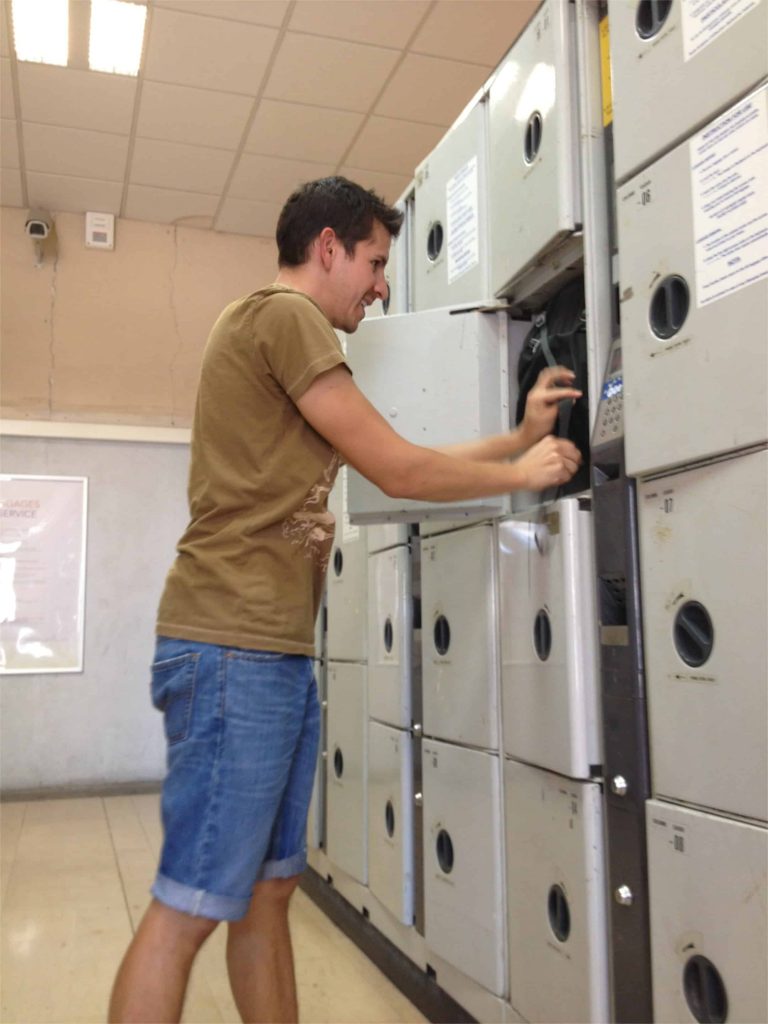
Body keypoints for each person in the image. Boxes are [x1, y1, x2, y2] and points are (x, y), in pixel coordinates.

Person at [108, 176, 582, 1024]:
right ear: (326, 247)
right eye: (372, 260)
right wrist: (519, 474)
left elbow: (394, 458)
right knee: (190, 905)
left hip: (269, 653)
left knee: (267, 893)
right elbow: (399, 468)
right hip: (232, 648)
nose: (382, 283)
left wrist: (517, 438)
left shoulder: (275, 333)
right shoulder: (283, 318)